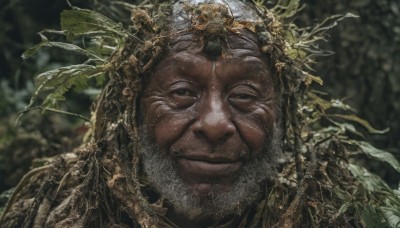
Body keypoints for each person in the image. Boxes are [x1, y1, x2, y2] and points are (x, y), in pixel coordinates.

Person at [0, 0, 366, 227]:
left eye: (243, 95)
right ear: (133, 108)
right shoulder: (58, 204)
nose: (215, 124)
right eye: (181, 93)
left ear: (282, 114)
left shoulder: (326, 210)